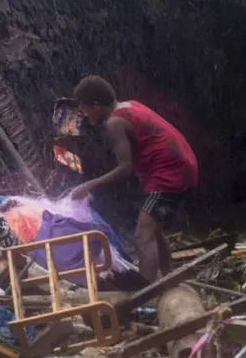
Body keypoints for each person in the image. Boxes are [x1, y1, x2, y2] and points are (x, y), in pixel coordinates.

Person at [70, 75, 197, 283]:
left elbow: (125, 168)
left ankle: (144, 293)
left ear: (96, 106)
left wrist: (89, 185)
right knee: (153, 228)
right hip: (180, 163)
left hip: (169, 171)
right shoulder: (129, 105)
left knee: (142, 235)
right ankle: (169, 279)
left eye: (84, 109)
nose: (84, 115)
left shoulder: (114, 123)